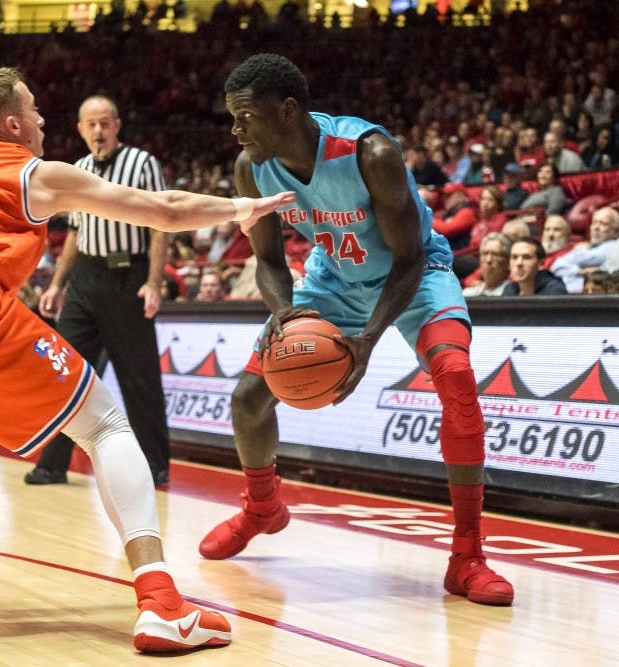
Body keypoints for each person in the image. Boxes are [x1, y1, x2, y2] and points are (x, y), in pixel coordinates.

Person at [0, 67, 294, 653]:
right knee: (106, 424)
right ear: (12, 123)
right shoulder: (29, 170)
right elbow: (163, 208)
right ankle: (162, 603)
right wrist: (241, 207)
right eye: (35, 111)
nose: (43, 121)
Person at [199, 54, 514, 606]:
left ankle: (468, 555)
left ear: (288, 110)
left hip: (413, 275)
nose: (235, 129)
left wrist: (367, 339)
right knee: (250, 396)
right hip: (333, 277)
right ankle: (262, 507)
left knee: (457, 377)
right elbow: (270, 261)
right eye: (233, 117)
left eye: (245, 116)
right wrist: (286, 314)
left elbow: (411, 257)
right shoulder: (251, 166)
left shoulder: (370, 151)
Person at [24, 95, 172, 488]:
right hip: (86, 278)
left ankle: (154, 466)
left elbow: (160, 225)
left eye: (105, 123)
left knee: (139, 379)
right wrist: (57, 283)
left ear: (117, 125)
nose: (98, 131)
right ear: (80, 129)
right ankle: (52, 465)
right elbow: (75, 231)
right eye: (91, 124)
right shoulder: (79, 169)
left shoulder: (142, 164)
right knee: (64, 372)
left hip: (129, 275)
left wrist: (154, 282)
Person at [550, 206, 619, 293]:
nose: (596, 228)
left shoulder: (614, 246)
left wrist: (573, 262)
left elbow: (587, 258)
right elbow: (556, 266)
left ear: (616, 232)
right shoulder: (585, 248)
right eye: (594, 222)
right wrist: (580, 271)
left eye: (603, 224)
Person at [502, 237, 568, 296]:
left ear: (541, 264)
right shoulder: (510, 290)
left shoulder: (554, 290)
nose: (519, 263)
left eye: (526, 257)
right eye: (514, 257)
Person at [462, 233, 512, 297]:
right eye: (485, 254)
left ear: (508, 262)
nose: (488, 260)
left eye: (495, 254)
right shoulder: (467, 294)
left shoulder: (512, 294)